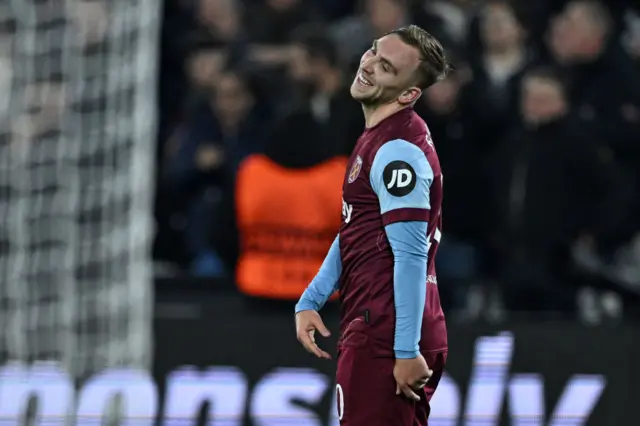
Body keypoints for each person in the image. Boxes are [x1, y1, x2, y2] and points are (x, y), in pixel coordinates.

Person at [294, 25, 451, 425]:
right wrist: (313, 296)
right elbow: (357, 227)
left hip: (387, 329)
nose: (368, 66)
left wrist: (404, 349)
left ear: (408, 94)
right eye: (373, 52)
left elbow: (411, 255)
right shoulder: (381, 136)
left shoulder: (398, 152)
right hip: (382, 323)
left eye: (386, 67)